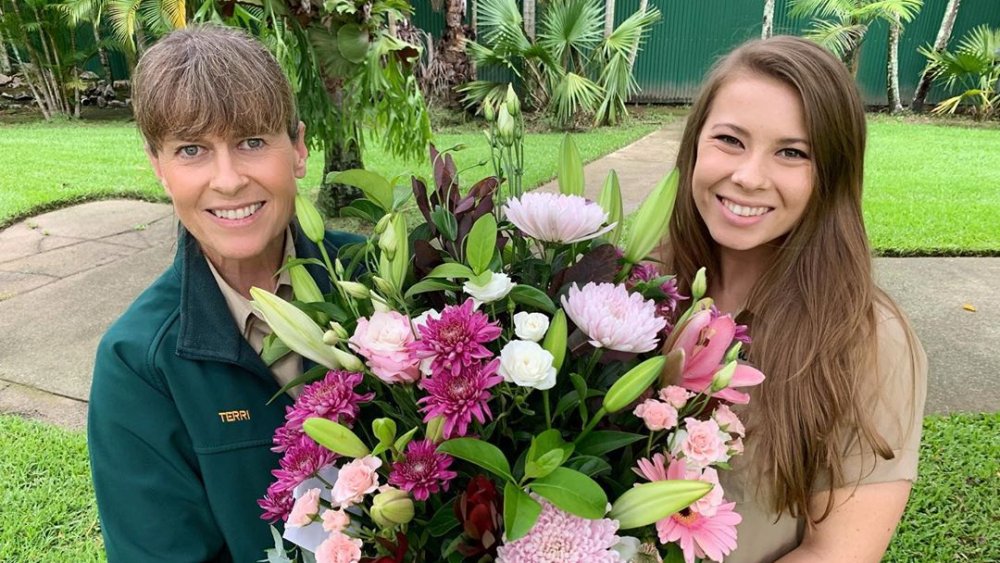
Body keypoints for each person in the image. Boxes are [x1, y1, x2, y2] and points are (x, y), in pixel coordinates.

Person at [88, 25, 361, 562]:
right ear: (159, 170)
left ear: (299, 149)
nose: (229, 179)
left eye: (252, 142)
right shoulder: (140, 363)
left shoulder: (378, 284)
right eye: (192, 150)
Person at [660, 36, 927, 561]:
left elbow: (837, 553)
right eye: (730, 140)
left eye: (792, 152)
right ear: (695, 145)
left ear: (831, 175)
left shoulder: (868, 341)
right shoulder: (636, 283)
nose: (748, 176)